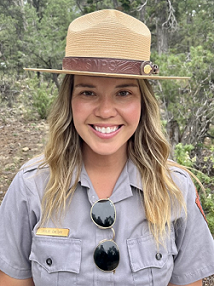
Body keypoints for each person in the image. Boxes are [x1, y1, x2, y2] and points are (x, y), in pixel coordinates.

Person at [0, 9, 213, 286]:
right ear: (69, 101)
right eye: (88, 92)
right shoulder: (31, 187)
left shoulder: (175, 189)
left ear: (143, 103)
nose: (105, 110)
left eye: (123, 93)